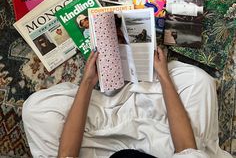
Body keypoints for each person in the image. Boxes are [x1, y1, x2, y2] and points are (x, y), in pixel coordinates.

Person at [22, 47, 232, 158]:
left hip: (99, 150)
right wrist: (164, 77)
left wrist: (87, 82)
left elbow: (67, 154)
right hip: (164, 147)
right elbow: (186, 147)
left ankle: (115, 108)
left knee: (36, 111)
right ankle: (129, 105)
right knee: (197, 81)